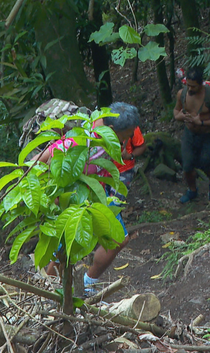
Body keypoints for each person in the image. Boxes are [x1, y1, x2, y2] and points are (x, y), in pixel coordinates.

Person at [40, 102, 141, 294]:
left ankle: (87, 284)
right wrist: (48, 194)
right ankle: (50, 291)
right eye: (127, 135)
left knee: (119, 238)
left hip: (95, 194)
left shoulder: (108, 136)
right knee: (64, 249)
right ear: (112, 130)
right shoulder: (83, 140)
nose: (127, 139)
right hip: (73, 198)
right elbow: (46, 156)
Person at [174, 67, 210, 203]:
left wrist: (200, 121)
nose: (190, 88)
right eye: (188, 85)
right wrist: (181, 116)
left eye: (193, 86)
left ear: (201, 83)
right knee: (187, 165)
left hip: (207, 136)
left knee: (206, 163)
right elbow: (176, 110)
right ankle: (192, 190)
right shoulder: (182, 94)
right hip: (189, 134)